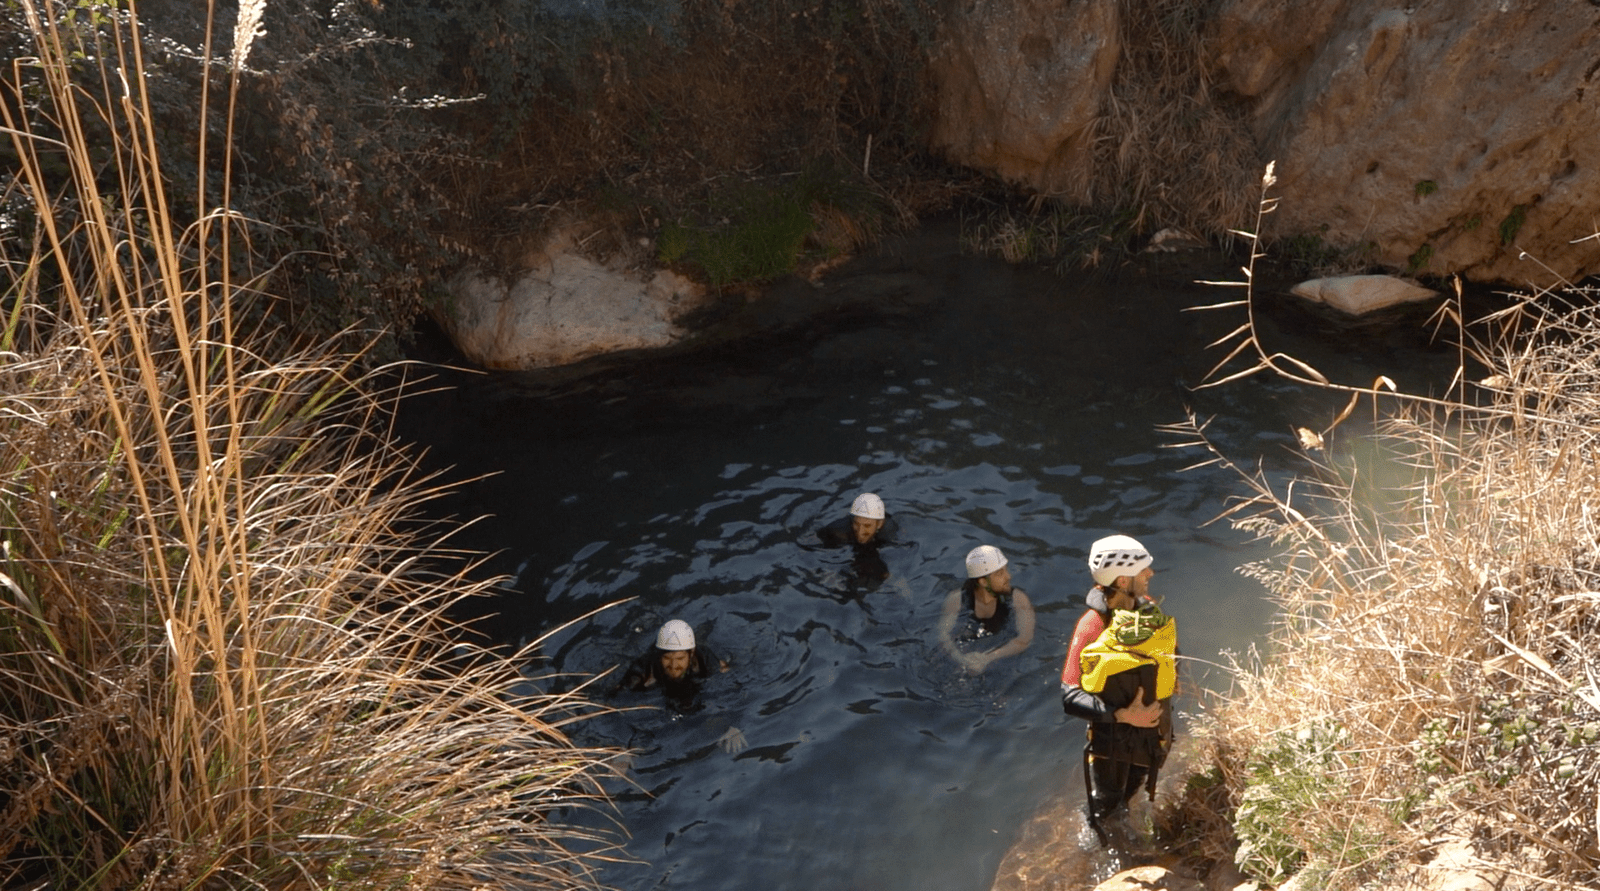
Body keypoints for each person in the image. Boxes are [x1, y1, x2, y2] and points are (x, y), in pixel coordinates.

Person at [1059, 535, 1179, 846]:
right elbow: (1070, 695)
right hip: (1111, 741)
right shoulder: (1092, 625)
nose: (1150, 574)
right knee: (1106, 808)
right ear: (1123, 579)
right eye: (1143, 571)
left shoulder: (1149, 610)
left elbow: (1170, 650)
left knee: (1134, 790)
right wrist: (1123, 715)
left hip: (1149, 733)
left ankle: (1131, 837)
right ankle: (1100, 857)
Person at [618, 619, 745, 752]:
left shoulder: (704, 660)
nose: (673, 666)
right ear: (659, 656)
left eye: (679, 659)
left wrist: (731, 725)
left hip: (691, 681)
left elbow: (732, 690)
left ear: (690, 655)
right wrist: (623, 747)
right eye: (667, 659)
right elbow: (614, 708)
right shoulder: (642, 674)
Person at [938, 545, 1036, 674]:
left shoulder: (1019, 599)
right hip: (968, 646)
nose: (1008, 577)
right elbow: (943, 635)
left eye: (1006, 570)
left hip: (999, 655)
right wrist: (961, 659)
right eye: (1000, 574)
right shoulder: (956, 599)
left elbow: (1024, 639)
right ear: (983, 582)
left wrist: (987, 658)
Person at [815, 492, 898, 588]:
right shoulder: (838, 531)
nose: (860, 532)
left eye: (867, 526)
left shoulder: (888, 532)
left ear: (879, 524)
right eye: (856, 524)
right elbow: (811, 544)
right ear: (852, 520)